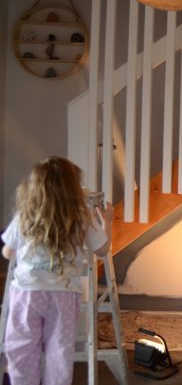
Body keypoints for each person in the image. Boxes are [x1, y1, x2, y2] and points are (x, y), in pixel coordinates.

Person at [1, 156, 112, 385]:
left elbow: (8, 252)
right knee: (60, 351)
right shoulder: (81, 216)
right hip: (64, 294)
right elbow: (102, 249)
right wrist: (107, 222)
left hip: (28, 292)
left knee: (21, 348)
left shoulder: (26, 214)